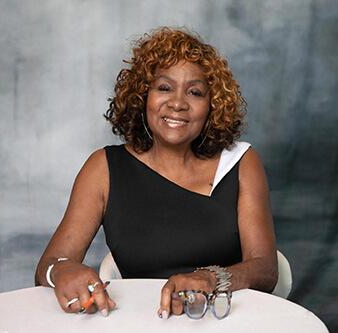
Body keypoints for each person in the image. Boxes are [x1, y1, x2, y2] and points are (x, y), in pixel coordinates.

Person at [35, 27, 278, 319]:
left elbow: (265, 268)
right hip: (140, 322)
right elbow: (48, 264)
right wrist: (61, 269)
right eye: (164, 87)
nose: (177, 103)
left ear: (212, 106)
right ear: (142, 97)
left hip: (226, 319)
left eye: (195, 92)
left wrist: (209, 279)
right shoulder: (103, 168)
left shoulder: (240, 162)